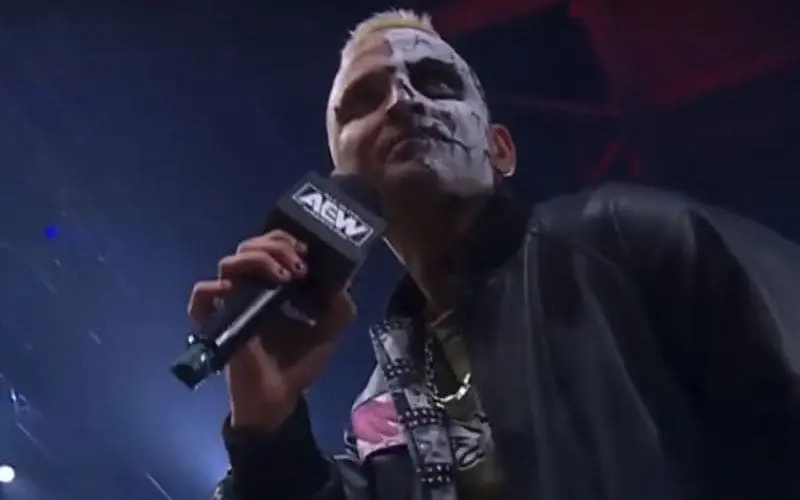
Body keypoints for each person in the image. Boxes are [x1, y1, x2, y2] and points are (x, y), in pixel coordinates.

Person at [188, 9, 800, 500]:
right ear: (340, 178)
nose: (402, 102)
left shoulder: (627, 241)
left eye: (436, 82)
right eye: (365, 100)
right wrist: (266, 430)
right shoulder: (383, 408)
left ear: (500, 150)